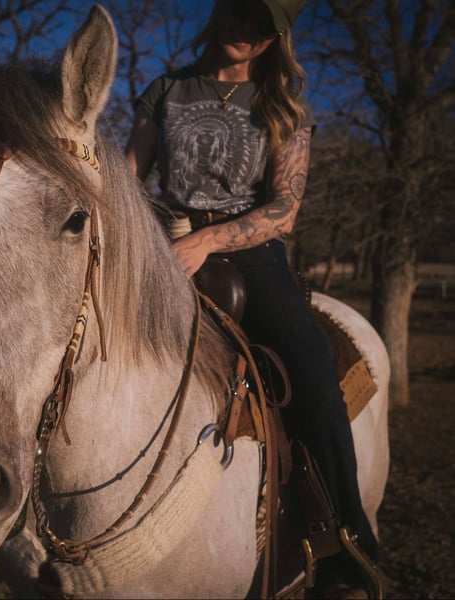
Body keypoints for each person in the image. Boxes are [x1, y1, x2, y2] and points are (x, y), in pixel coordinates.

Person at [125, 0, 379, 595]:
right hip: (164, 243)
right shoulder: (166, 90)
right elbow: (127, 173)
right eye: (241, 14)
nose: (247, 31)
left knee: (313, 369)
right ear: (221, 12)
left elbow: (284, 208)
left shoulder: (282, 103)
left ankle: (346, 540)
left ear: (277, 38)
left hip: (250, 253)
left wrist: (208, 241)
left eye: (265, 26)